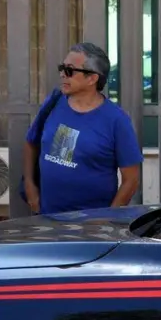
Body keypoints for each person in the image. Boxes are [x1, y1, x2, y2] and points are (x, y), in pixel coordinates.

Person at [23, 43, 142, 214]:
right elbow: (31, 143)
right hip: (48, 220)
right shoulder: (54, 102)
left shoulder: (117, 120)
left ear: (92, 78)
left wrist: (107, 219)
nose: (63, 74)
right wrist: (30, 186)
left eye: (70, 70)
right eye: (62, 68)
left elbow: (131, 180)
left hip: (92, 228)